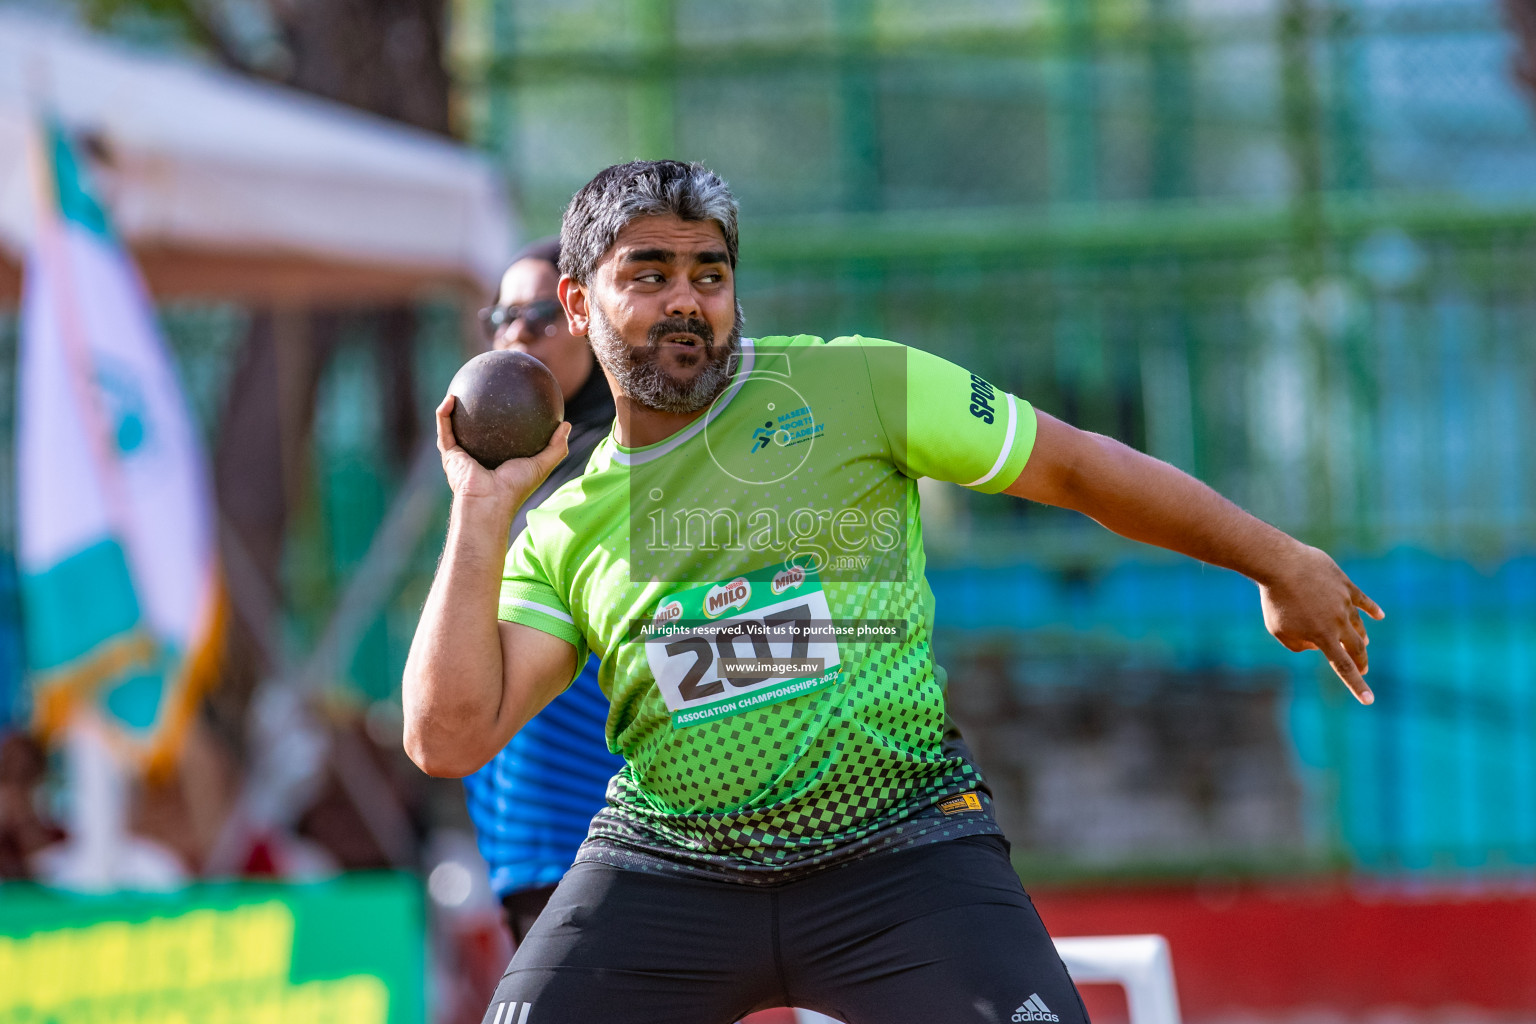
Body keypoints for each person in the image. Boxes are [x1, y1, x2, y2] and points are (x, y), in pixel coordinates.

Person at [404, 161, 1383, 1024]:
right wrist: (480, 510)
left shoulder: (859, 387)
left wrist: (1275, 558)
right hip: (671, 864)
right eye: (648, 275)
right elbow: (446, 737)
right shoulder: (564, 526)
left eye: (710, 273)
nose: (686, 301)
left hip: (900, 847)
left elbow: (1080, 468)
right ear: (577, 305)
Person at [459, 236, 624, 944]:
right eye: (501, 315)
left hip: (612, 826)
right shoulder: (496, 474)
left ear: (590, 317)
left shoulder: (629, 458)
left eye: (540, 314)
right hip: (522, 831)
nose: (515, 332)